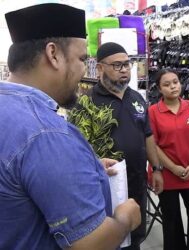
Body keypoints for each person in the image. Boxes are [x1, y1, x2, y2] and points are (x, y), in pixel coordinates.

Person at [0, 3, 141, 250]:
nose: (82, 69)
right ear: (53, 55)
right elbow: (90, 243)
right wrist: (124, 219)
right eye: (81, 58)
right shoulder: (47, 133)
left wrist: (88, 167)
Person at [77, 42, 164, 250]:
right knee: (111, 241)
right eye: (117, 65)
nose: (124, 69)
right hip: (105, 188)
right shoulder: (86, 103)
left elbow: (148, 135)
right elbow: (77, 151)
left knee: (135, 237)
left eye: (127, 64)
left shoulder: (137, 99)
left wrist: (157, 168)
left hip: (137, 183)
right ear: (99, 68)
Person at [148, 69, 189, 250]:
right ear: (159, 89)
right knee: (171, 219)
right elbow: (154, 145)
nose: (173, 86)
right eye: (167, 84)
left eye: (175, 82)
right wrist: (173, 168)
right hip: (166, 174)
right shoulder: (153, 112)